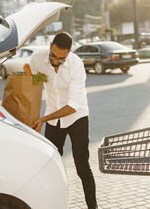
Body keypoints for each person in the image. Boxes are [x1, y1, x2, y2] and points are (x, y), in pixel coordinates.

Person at [28, 32, 98, 209]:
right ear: (50, 44)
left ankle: (93, 207)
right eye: (53, 55)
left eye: (61, 59)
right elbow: (28, 77)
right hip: (53, 116)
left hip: (77, 117)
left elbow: (73, 105)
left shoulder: (76, 65)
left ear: (69, 52)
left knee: (82, 166)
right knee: (50, 164)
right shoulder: (38, 58)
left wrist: (43, 118)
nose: (55, 61)